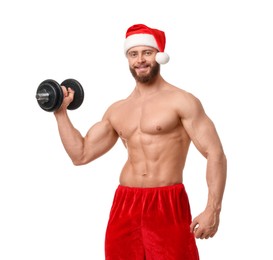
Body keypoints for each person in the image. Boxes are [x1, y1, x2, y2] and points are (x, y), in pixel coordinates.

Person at [54, 24, 227, 260]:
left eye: (147, 52)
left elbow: (215, 153)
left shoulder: (182, 101)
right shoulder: (118, 110)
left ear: (159, 55)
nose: (140, 60)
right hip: (125, 204)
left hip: (166, 203)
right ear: (127, 58)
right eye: (133, 54)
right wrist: (60, 112)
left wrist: (212, 209)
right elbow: (80, 154)